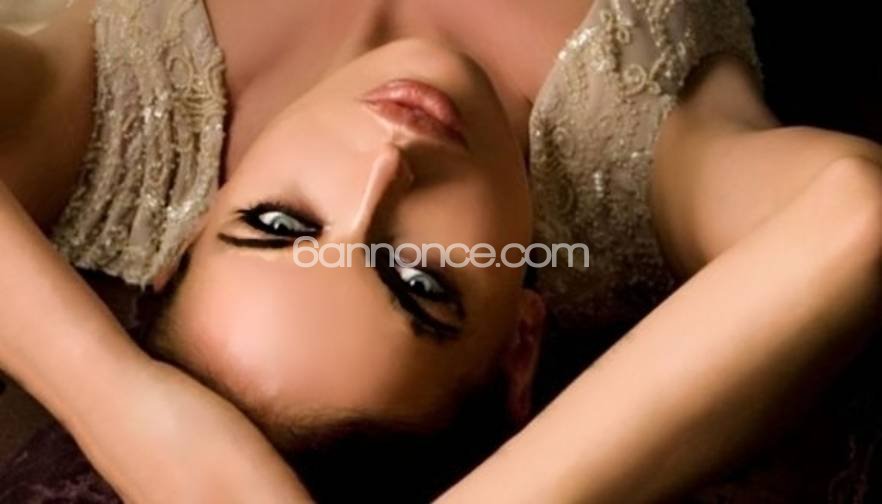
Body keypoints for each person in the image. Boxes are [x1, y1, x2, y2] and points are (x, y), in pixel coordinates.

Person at [0, 0, 880, 501]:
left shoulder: (106, 115)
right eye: (415, 278)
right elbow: (859, 214)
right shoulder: (642, 170)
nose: (384, 168)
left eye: (280, 225)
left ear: (186, 235)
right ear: (520, 344)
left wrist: (128, 409)